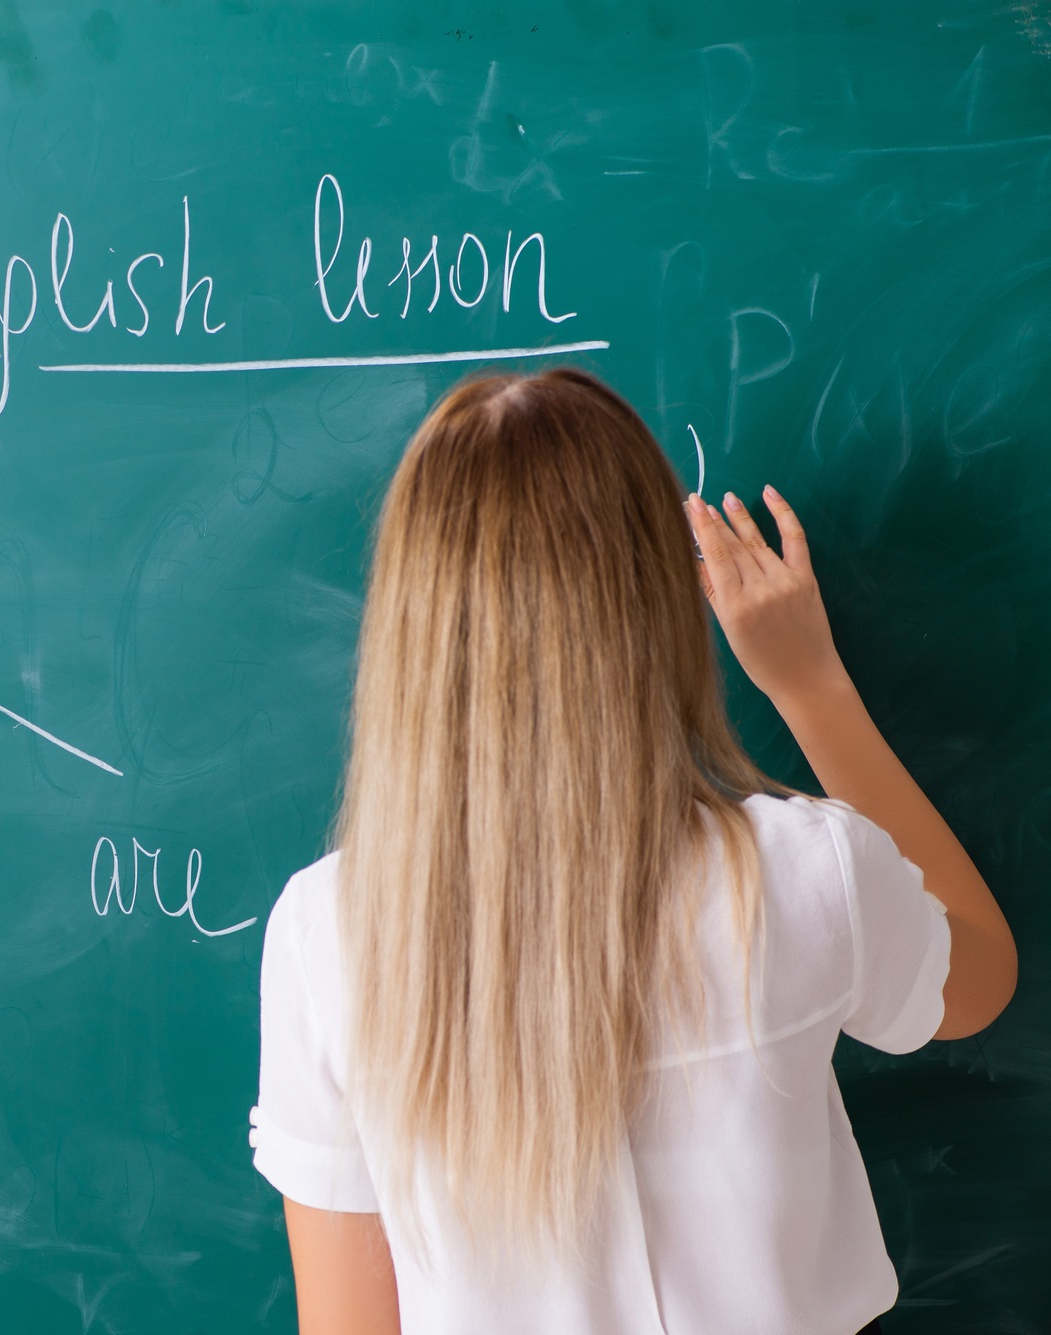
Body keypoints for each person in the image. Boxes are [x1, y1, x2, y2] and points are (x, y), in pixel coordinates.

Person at [250, 368, 1016, 1335]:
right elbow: (978, 975)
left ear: (412, 625)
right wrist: (812, 685)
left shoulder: (330, 937)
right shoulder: (801, 876)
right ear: (655, 596)